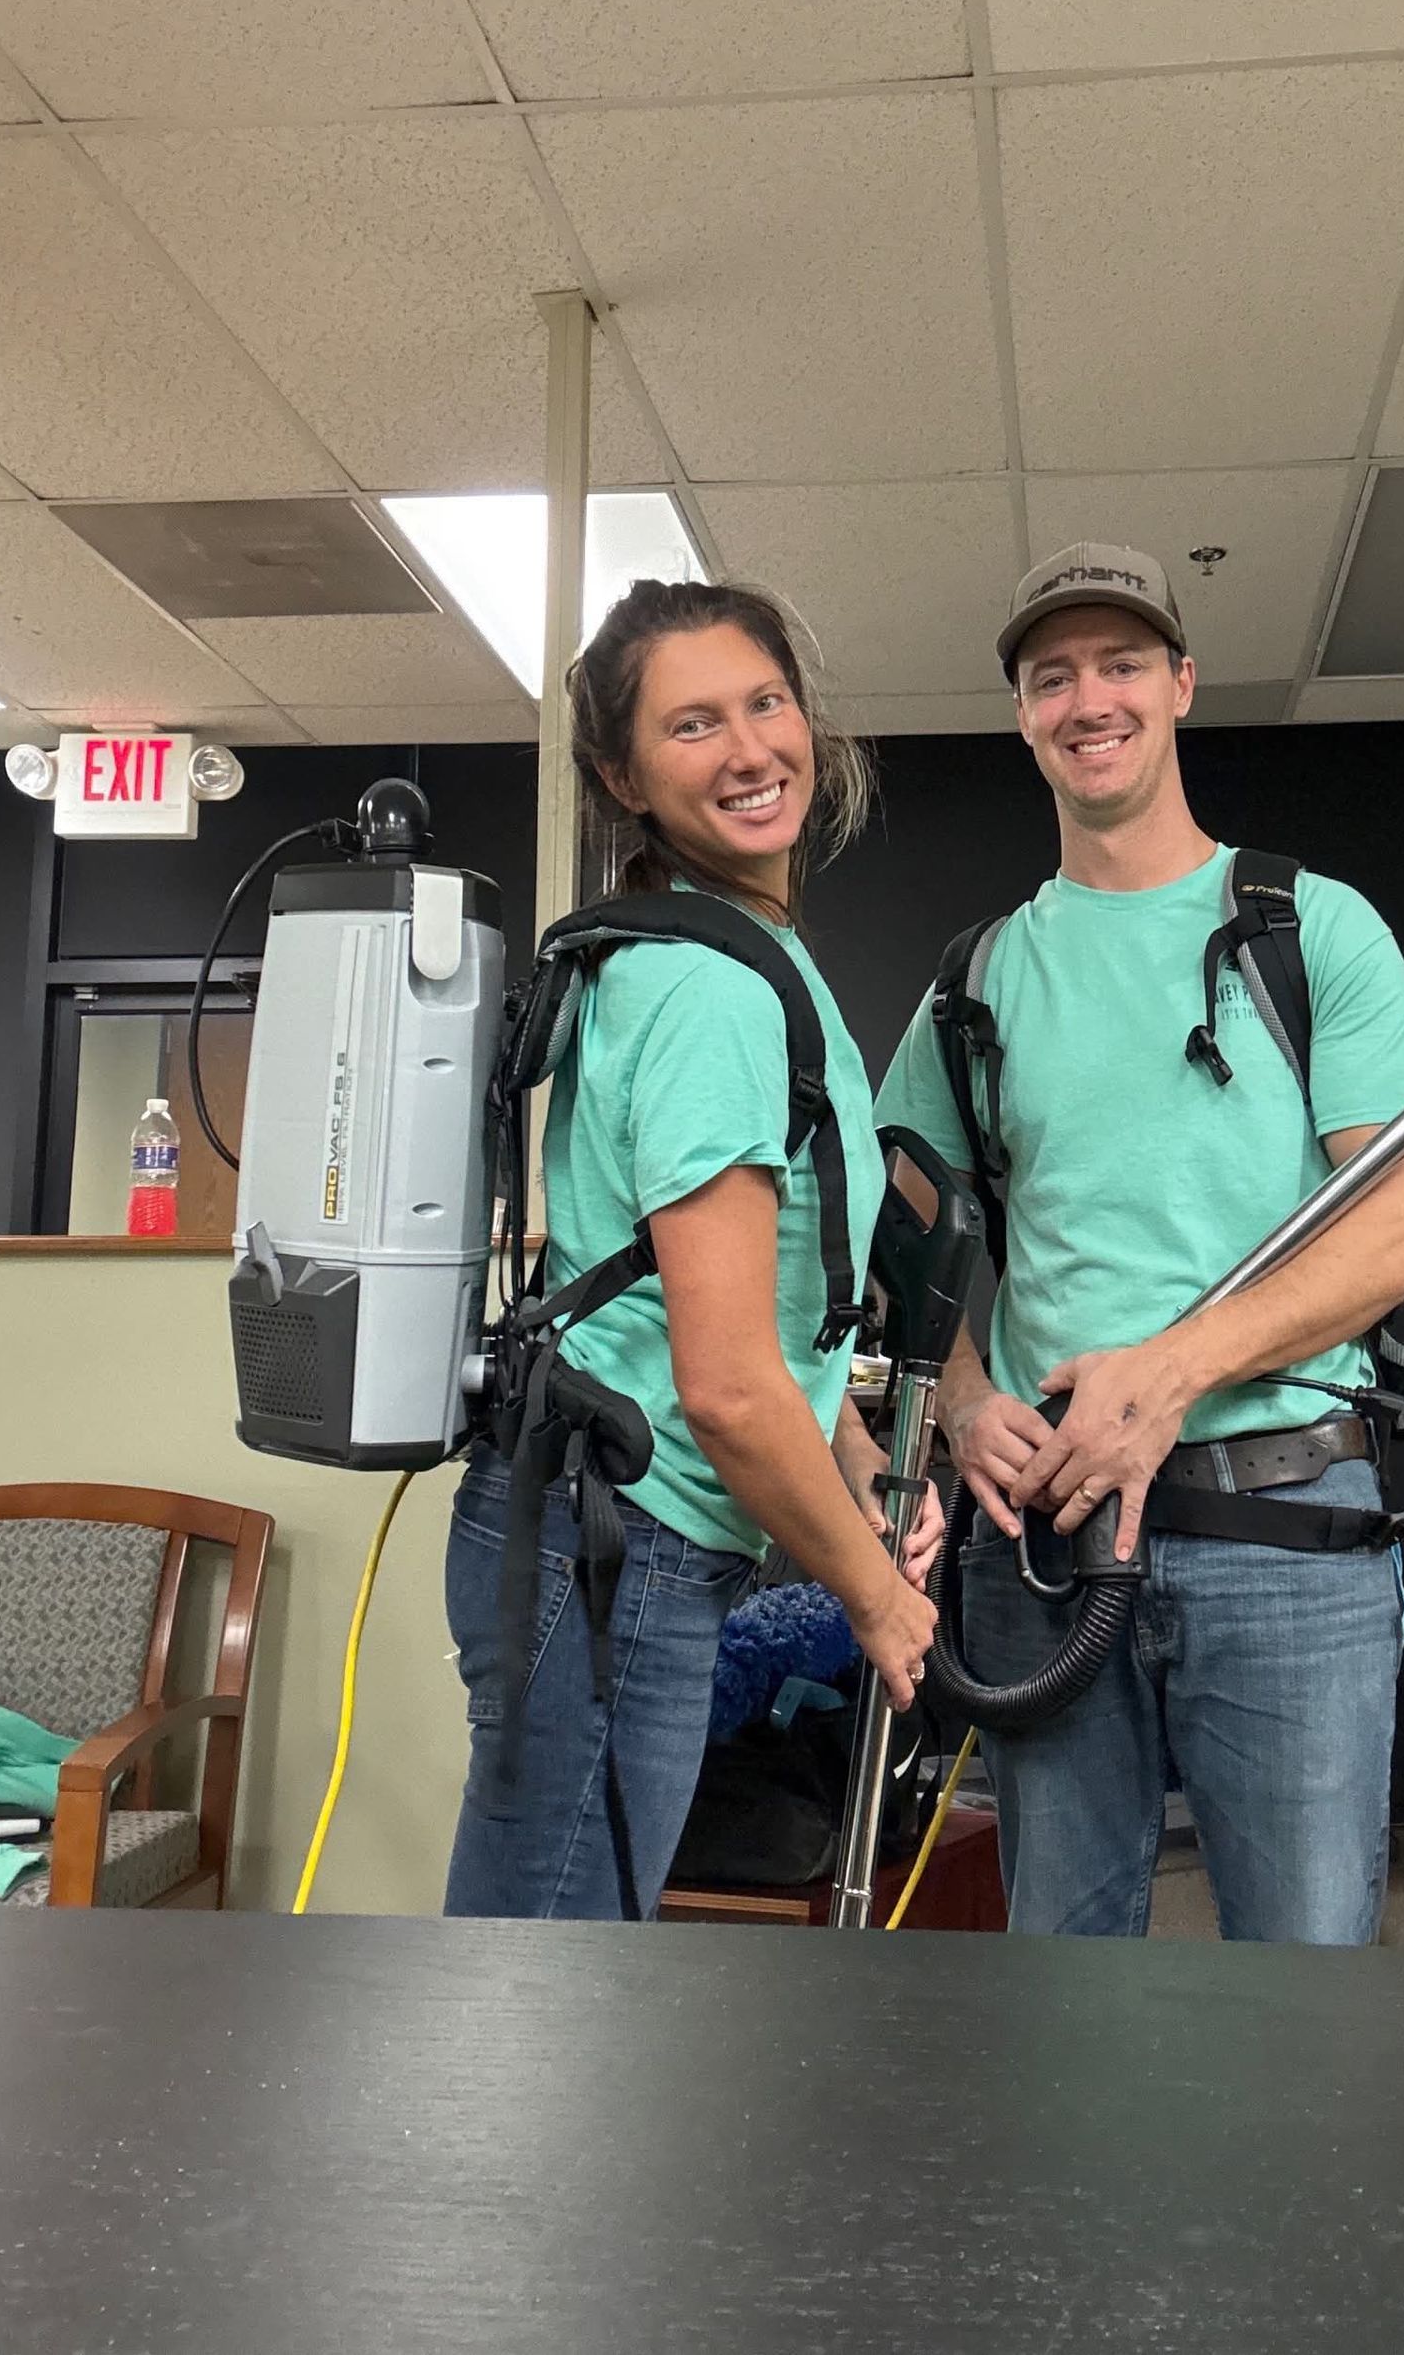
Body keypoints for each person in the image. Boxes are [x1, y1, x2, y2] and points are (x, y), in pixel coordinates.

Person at [875, 542, 1404, 1941]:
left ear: (1182, 683)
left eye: (1122, 662)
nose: (1091, 698)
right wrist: (960, 1404)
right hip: (1048, 1551)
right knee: (1064, 1987)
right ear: (1022, 714)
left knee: (1302, 1988)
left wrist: (1173, 1373)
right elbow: (900, 1237)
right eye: (1052, 675)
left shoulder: (1309, 929)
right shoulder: (976, 979)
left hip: (1287, 1532)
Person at [445, 579, 938, 1921]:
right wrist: (875, 1600)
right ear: (624, 773)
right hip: (621, 1545)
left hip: (599, 1523)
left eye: (766, 702)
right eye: (694, 724)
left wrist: (857, 1459)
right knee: (548, 1989)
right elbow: (722, 1386)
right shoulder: (717, 993)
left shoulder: (714, 953)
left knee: (546, 1966)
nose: (748, 749)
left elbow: (718, 1301)